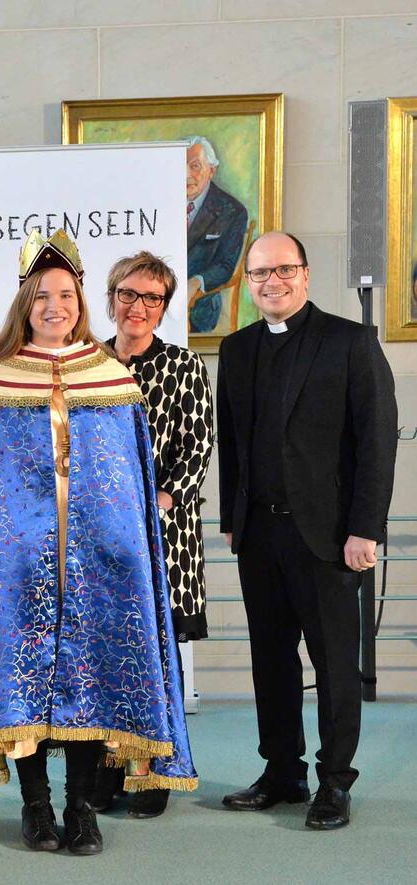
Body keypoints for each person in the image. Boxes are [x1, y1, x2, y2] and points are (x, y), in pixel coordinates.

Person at [0, 230, 196, 857]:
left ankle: (81, 809)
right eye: (43, 294)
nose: (56, 305)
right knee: (22, 688)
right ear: (26, 302)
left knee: (88, 679)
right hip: (18, 567)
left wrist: (125, 546)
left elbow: (130, 478)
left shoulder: (111, 379)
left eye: (67, 294)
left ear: (80, 301)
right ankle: (36, 808)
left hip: (100, 566)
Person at [216, 231, 397, 830]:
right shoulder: (237, 349)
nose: (272, 282)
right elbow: (232, 445)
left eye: (283, 270)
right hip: (259, 536)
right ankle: (283, 772)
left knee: (335, 665)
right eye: (261, 273)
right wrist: (232, 521)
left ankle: (335, 781)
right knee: (270, 661)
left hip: (328, 538)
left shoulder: (351, 342)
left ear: (306, 274)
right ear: (250, 284)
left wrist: (365, 529)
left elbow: (376, 445)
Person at [95, 251, 214, 819]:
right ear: (110, 297)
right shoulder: (88, 360)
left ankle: (152, 778)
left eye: (151, 298)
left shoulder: (185, 366)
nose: (137, 307)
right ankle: (103, 773)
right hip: (95, 541)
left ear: (164, 306)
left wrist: (154, 503)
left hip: (162, 539)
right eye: (128, 294)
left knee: (153, 662)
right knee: (100, 659)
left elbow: (198, 450)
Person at [185, 135, 250, 333]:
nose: (185, 174)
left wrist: (195, 282)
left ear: (211, 170)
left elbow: (225, 266)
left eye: (195, 166)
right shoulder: (159, 206)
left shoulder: (231, 211)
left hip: (199, 308)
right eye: (179, 166)